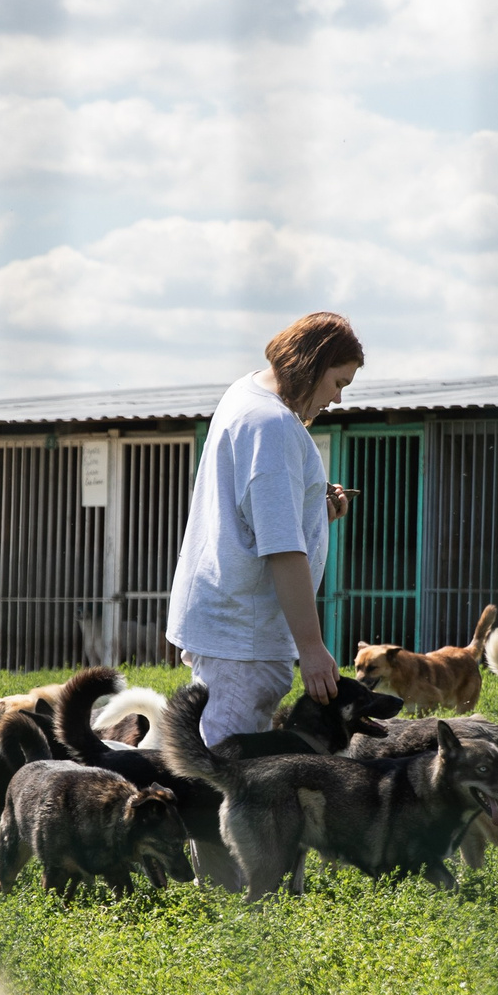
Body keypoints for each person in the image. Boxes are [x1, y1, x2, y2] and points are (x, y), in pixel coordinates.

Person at [165, 311, 363, 746]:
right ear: (312, 365)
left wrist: (316, 511)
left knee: (198, 753)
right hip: (244, 637)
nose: (338, 399)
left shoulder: (247, 390)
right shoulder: (271, 426)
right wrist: (312, 648)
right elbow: (282, 549)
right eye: (339, 383)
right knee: (222, 768)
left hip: (228, 623)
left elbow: (257, 517)